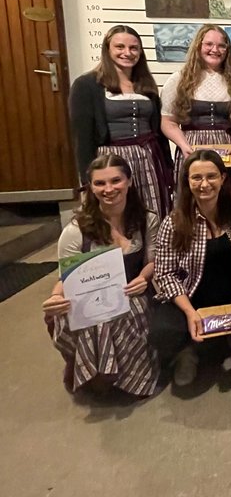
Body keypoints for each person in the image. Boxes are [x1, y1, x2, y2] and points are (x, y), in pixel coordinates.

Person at [42, 154, 160, 398]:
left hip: (132, 290)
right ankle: (95, 374)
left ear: (129, 181)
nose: (108, 189)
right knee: (79, 315)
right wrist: (55, 297)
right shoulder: (75, 231)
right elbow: (67, 277)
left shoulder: (146, 219)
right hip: (90, 296)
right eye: (100, 183)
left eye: (116, 180)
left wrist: (143, 278)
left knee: (125, 313)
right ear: (91, 187)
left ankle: (131, 378)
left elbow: (152, 261)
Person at [150, 150, 231, 387]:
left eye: (211, 176)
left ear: (223, 178)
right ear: (187, 182)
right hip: (192, 297)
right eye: (196, 178)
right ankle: (186, 352)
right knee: (162, 330)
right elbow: (165, 274)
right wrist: (190, 312)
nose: (204, 184)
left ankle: (224, 342)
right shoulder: (173, 222)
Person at [68, 25, 173, 217]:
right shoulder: (87, 85)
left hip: (148, 159)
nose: (127, 53)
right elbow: (82, 139)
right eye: (120, 47)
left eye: (133, 48)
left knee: (152, 211)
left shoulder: (145, 84)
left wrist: (168, 167)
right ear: (107, 49)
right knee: (117, 213)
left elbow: (158, 132)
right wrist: (87, 181)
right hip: (111, 160)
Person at [160, 25, 231, 184]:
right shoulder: (178, 79)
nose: (215, 50)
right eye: (209, 44)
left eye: (221, 45)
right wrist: (184, 145)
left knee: (225, 194)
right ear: (198, 46)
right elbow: (167, 121)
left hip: (227, 151)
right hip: (191, 149)